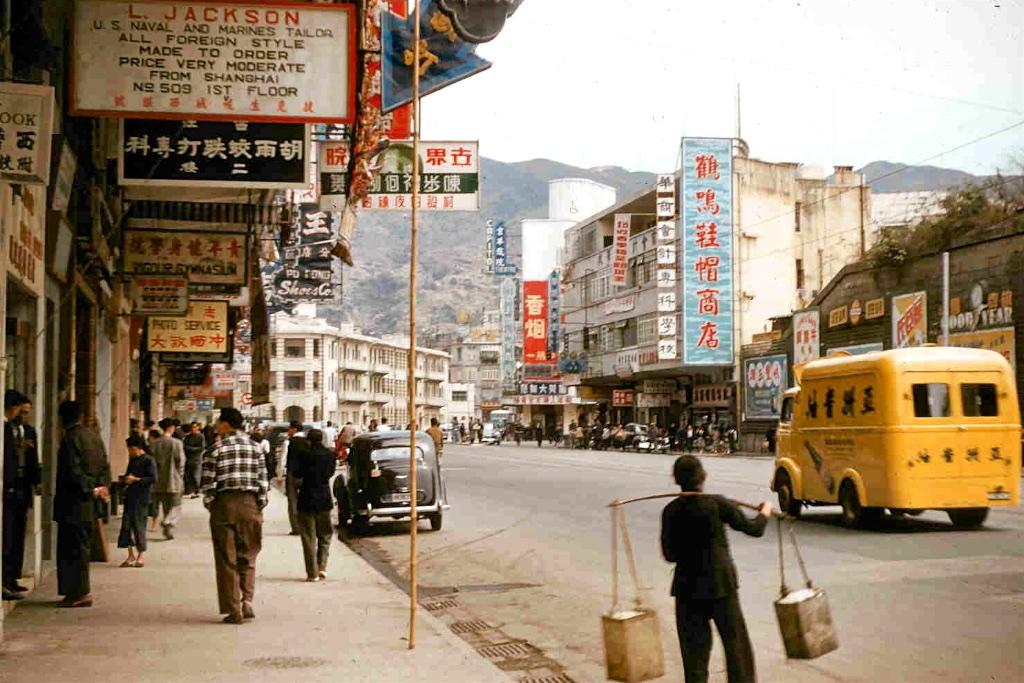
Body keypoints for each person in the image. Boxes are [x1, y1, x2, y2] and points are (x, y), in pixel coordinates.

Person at [660, 455, 772, 683]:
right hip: (721, 585)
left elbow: (669, 555)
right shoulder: (717, 503)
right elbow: (754, 529)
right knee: (736, 649)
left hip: (687, 590)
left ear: (676, 480)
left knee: (694, 656)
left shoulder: (671, 510)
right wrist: (765, 512)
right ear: (703, 476)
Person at [201, 408, 268, 624]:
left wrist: (212, 504)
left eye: (219, 422)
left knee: (226, 558)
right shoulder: (256, 448)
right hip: (250, 504)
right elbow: (263, 482)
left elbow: (208, 484)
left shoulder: (215, 449)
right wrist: (259, 505)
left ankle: (233, 609)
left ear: (227, 424)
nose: (217, 425)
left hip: (224, 505)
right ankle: (247, 600)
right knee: (248, 554)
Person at [53, 400, 110, 608]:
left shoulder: (70, 439)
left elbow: (72, 472)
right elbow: (104, 465)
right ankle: (79, 591)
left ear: (62, 418)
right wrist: (101, 488)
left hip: (73, 504)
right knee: (81, 549)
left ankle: (78, 593)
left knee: (72, 551)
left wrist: (90, 488)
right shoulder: (94, 437)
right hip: (90, 505)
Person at [3, 391, 38, 600]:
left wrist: (37, 481)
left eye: (27, 413)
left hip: (23, 489)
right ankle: (5, 578)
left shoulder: (30, 432)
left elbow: (34, 459)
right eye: (22, 412)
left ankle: (14, 576)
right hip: (9, 489)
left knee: (18, 535)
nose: (24, 416)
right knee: (6, 536)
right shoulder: (6, 429)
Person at [295, 429, 335, 582]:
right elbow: (330, 473)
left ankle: (312, 573)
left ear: (308, 440)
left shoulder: (303, 455)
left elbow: (297, 474)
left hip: (306, 497)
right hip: (324, 497)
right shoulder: (330, 455)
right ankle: (322, 566)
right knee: (325, 535)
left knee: (308, 537)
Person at [117, 435, 157, 568]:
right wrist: (125, 480)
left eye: (130, 449)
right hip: (130, 496)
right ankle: (130, 555)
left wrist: (137, 479)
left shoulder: (149, 460)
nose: (129, 451)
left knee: (139, 526)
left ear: (136, 448)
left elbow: (153, 478)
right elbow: (129, 474)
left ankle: (140, 555)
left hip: (142, 497)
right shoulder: (133, 460)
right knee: (127, 526)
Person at [150, 418, 185, 540]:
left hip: (158, 480)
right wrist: (180, 476)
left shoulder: (154, 443)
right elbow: (180, 462)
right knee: (176, 505)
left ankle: (167, 528)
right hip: (173, 479)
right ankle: (167, 522)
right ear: (171, 428)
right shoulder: (176, 443)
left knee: (166, 506)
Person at [283, 420, 309, 536]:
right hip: (306, 475)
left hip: (292, 474)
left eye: (289, 429)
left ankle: (296, 528)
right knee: (305, 500)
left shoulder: (289, 442)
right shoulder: (308, 442)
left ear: (294, 429)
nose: (288, 431)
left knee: (292, 501)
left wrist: (279, 474)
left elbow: (283, 459)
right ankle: (306, 526)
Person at [182, 422, 207, 498]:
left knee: (196, 475)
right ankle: (190, 491)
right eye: (192, 427)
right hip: (188, 458)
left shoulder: (201, 437)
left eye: (194, 427)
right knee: (188, 476)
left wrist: (191, 449)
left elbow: (202, 447)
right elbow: (184, 446)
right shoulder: (187, 437)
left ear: (197, 428)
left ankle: (197, 490)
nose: (193, 429)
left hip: (196, 459)